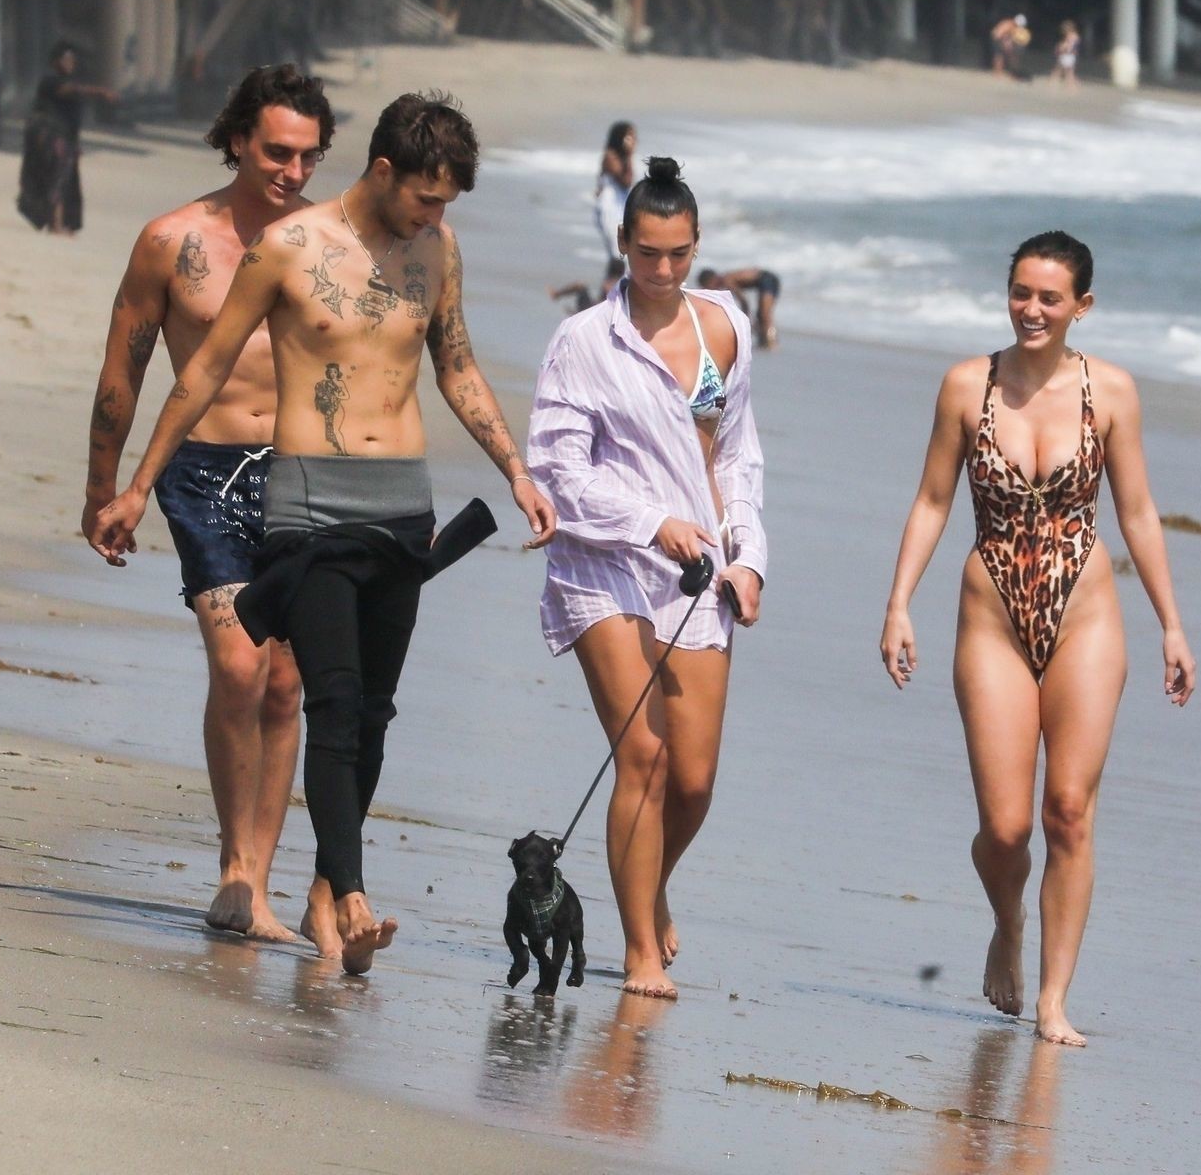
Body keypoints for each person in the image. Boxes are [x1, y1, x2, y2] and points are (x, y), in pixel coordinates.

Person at [90, 92, 557, 974]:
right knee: (331, 700)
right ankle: (350, 896)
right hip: (308, 505)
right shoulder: (290, 246)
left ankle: (321, 892)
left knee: (372, 713)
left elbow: (456, 365)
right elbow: (205, 369)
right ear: (383, 171)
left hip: (403, 507)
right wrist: (137, 485)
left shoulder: (438, 249)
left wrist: (517, 471)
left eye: (447, 203)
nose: (434, 215)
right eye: (426, 197)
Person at [878, 231, 1195, 1046]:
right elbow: (932, 500)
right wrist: (899, 603)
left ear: (1081, 306)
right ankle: (1007, 920)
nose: (1032, 309)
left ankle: (1053, 1001)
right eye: (1021, 292)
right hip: (992, 620)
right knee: (1007, 830)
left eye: (1050, 297)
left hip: (1085, 615)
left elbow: (1137, 513)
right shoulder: (967, 385)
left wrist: (1171, 624)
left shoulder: (1111, 392)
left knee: (1069, 813)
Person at [82, 64, 333, 943]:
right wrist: (104, 488)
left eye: (308, 156)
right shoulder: (171, 241)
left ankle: (253, 884)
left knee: (287, 683)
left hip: (305, 475)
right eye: (277, 152)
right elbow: (124, 368)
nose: (293, 171)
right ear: (236, 140)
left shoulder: (328, 245)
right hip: (204, 471)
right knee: (239, 667)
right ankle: (233, 864)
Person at [528, 156, 769, 1000]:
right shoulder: (584, 341)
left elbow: (736, 458)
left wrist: (749, 558)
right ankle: (639, 953)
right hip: (602, 563)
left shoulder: (725, 327)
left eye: (677, 254)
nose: (662, 271)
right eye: (646, 254)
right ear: (623, 245)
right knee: (644, 756)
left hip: (699, 572)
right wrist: (650, 522)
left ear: (696, 246)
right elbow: (558, 469)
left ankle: (649, 882)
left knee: (693, 781)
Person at [17, 41, 117, 235]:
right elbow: (69, 90)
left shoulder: (68, 82)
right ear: (56, 61)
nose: (70, 63)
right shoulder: (51, 81)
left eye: (72, 60)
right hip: (52, 139)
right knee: (56, 181)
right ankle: (55, 224)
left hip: (66, 139)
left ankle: (61, 223)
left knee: (65, 182)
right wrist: (100, 92)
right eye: (66, 59)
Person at [594, 120, 637, 298]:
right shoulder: (611, 156)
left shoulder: (624, 159)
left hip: (620, 206)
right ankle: (608, 294)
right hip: (610, 207)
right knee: (617, 251)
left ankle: (616, 292)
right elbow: (625, 180)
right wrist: (629, 155)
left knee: (623, 250)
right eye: (630, 136)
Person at [695, 266, 782, 350]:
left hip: (768, 280)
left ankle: (771, 343)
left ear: (711, 281)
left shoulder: (727, 280)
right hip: (764, 283)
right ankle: (764, 343)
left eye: (707, 287)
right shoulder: (726, 280)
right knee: (761, 316)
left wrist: (745, 320)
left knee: (765, 314)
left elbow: (743, 301)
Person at [1051, 21, 1080, 89]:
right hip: (1071, 56)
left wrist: (1060, 49)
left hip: (1067, 55)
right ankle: (1073, 85)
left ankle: (1071, 86)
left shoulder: (1071, 36)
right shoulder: (1075, 36)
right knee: (1066, 71)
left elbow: (1068, 46)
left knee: (1063, 71)